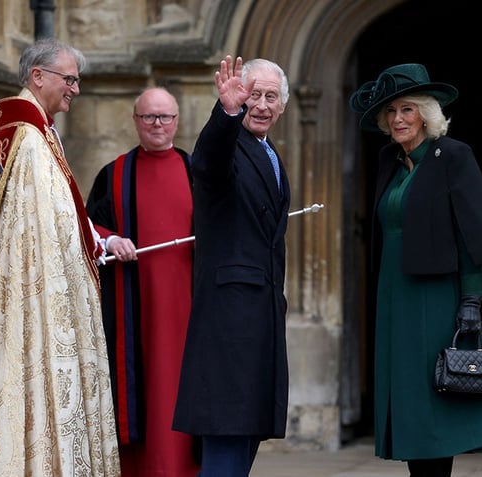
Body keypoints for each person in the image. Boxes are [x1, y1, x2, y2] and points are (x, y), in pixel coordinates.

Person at [0, 38, 120, 476]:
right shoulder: (28, 141)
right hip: (38, 299)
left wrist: (97, 243)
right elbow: (38, 238)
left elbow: (61, 217)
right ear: (37, 76)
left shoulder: (37, 133)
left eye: (77, 80)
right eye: (69, 79)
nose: (75, 89)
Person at [348, 63, 482, 477]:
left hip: (437, 296)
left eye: (408, 110)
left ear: (426, 115)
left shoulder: (453, 155)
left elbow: (474, 231)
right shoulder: (390, 161)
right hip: (394, 294)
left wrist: (472, 298)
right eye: (392, 112)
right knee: (409, 403)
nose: (398, 119)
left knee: (437, 402)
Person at [172, 55, 291, 476]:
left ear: (282, 106)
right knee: (226, 438)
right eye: (253, 95)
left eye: (270, 97)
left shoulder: (268, 151)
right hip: (229, 318)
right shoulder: (229, 144)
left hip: (260, 317)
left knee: (245, 438)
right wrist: (226, 112)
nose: (260, 105)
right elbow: (207, 162)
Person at [85, 87, 199, 477]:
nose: (157, 125)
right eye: (149, 117)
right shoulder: (114, 175)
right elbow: (87, 228)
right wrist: (112, 239)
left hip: (189, 310)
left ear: (177, 122)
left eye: (165, 117)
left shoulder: (197, 172)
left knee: (182, 392)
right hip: (133, 311)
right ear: (135, 121)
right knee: (143, 394)